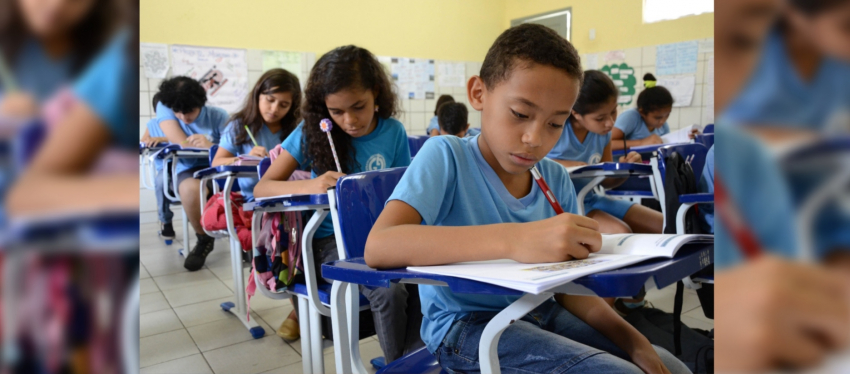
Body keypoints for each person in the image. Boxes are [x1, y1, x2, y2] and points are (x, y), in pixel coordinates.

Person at [364, 24, 688, 374]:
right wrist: (514, 239)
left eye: (555, 124)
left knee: (670, 366)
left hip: (541, 309)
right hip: (465, 327)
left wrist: (635, 342)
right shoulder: (446, 156)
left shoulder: (554, 178)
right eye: (520, 114)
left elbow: (569, 289)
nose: (534, 138)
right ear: (478, 93)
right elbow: (380, 246)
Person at [253, 45, 422, 363]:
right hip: (331, 244)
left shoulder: (393, 132)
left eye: (358, 106)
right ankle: (398, 365)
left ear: (375, 93)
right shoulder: (311, 133)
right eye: (337, 112)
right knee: (388, 289)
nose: (349, 120)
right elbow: (263, 188)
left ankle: (410, 361)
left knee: (426, 281)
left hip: (385, 236)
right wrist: (313, 184)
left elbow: (405, 191)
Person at [154, 76, 229, 271]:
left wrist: (212, 146)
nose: (184, 118)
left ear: (201, 104)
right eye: (177, 112)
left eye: (190, 112)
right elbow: (181, 143)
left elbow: (232, 150)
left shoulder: (219, 116)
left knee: (239, 187)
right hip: (188, 168)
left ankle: (242, 235)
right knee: (189, 190)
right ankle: (203, 238)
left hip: (218, 166)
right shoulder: (165, 106)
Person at [611, 74, 672, 151]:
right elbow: (607, 144)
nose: (663, 121)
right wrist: (641, 142)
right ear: (642, 112)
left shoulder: (663, 126)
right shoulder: (631, 117)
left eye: (667, 115)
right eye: (657, 117)